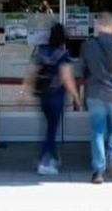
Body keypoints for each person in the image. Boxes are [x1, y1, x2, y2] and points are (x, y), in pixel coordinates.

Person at [72, 12, 112, 184]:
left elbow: (81, 70)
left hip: (94, 93)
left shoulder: (87, 45)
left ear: (98, 26)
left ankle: (98, 171)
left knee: (98, 131)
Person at [19, 23, 81, 176]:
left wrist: (23, 91)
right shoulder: (63, 55)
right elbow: (67, 78)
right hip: (56, 96)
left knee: (49, 128)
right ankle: (44, 162)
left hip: (43, 96)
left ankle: (52, 156)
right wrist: (76, 96)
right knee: (51, 130)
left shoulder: (42, 51)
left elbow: (31, 72)